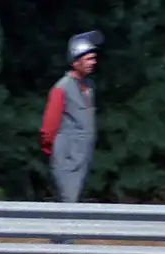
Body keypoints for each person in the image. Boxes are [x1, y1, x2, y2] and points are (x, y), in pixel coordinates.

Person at [39, 30, 104, 203]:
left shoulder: (88, 86)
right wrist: (50, 148)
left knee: (76, 200)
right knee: (69, 201)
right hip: (67, 156)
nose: (93, 62)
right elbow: (49, 124)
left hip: (82, 156)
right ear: (76, 61)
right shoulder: (62, 88)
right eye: (89, 58)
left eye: (94, 58)